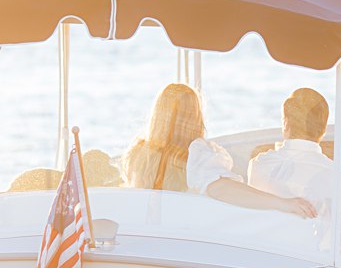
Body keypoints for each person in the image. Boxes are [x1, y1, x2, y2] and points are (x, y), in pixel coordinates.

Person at [124, 83, 315, 218]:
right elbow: (221, 189)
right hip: (184, 241)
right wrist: (282, 203)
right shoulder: (197, 152)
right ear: (195, 116)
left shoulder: (140, 154)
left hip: (149, 239)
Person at [248, 88, 341, 256]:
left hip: (268, 257)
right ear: (324, 130)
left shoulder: (259, 165)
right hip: (318, 264)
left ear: (286, 123)